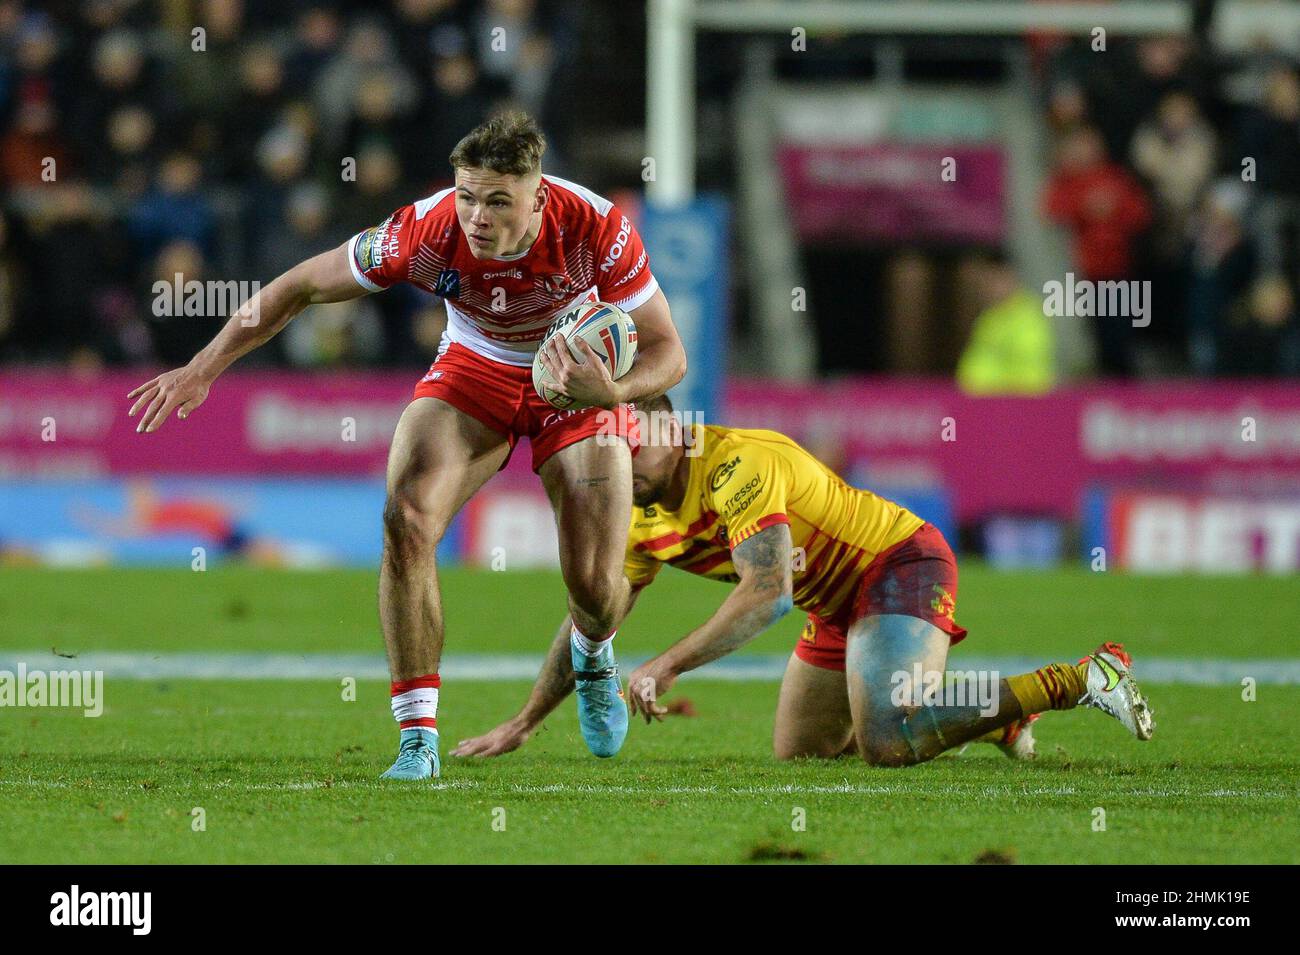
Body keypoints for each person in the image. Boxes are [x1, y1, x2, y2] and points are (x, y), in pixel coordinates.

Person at [126, 112, 687, 779]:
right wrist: (204, 366)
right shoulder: (424, 231)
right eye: (468, 195)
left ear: (538, 197)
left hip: (575, 377)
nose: (477, 215)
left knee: (595, 585)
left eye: (498, 200)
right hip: (476, 364)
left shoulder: (597, 228)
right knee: (406, 517)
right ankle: (417, 738)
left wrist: (612, 392)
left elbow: (669, 351)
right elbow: (300, 285)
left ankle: (593, 653)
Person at [454, 396, 1155, 765]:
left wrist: (667, 663)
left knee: (887, 738)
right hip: (835, 605)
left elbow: (768, 590)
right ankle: (999, 717)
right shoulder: (636, 513)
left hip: (896, 563)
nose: (620, 462)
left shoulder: (737, 465)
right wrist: (523, 721)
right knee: (805, 753)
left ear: (674, 432)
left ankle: (1082, 677)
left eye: (632, 445)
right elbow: (591, 621)